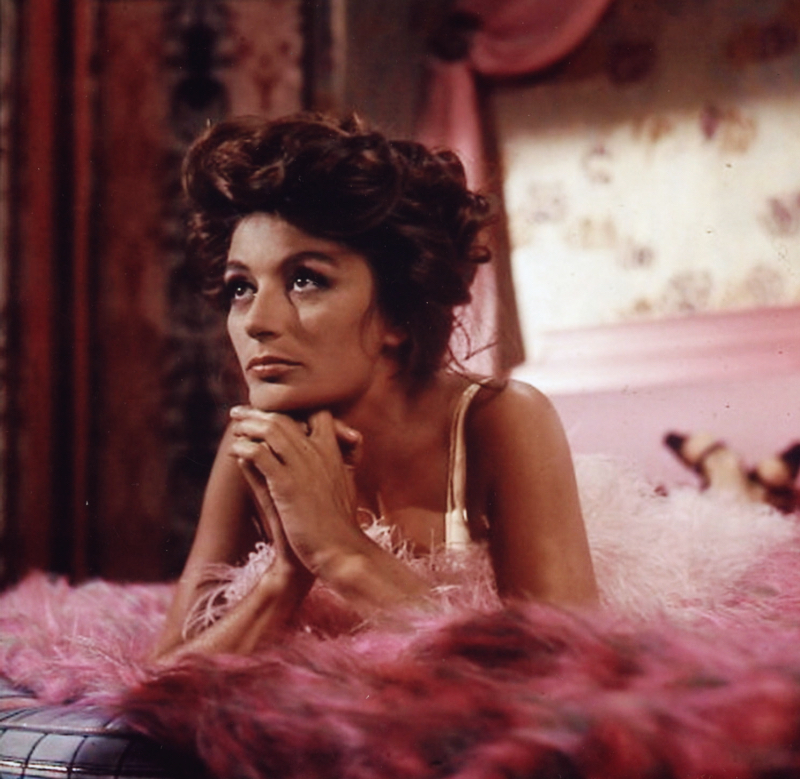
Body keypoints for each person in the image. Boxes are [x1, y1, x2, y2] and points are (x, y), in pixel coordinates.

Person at [154, 113, 597, 662]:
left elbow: (565, 669)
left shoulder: (504, 419)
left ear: (398, 312)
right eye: (241, 287)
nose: (257, 321)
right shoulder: (256, 442)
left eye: (305, 280)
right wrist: (285, 577)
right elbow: (158, 682)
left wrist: (340, 551)